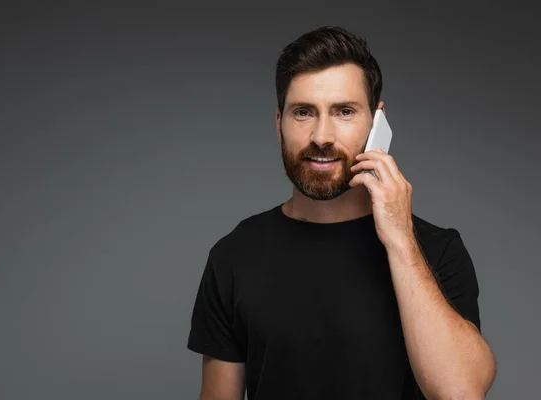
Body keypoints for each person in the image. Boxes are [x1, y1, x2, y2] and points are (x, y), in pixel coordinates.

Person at [186, 25, 496, 400]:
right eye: (303, 113)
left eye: (344, 111)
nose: (321, 136)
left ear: (376, 122)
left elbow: (460, 393)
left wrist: (399, 239)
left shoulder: (437, 249)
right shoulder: (234, 256)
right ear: (278, 123)